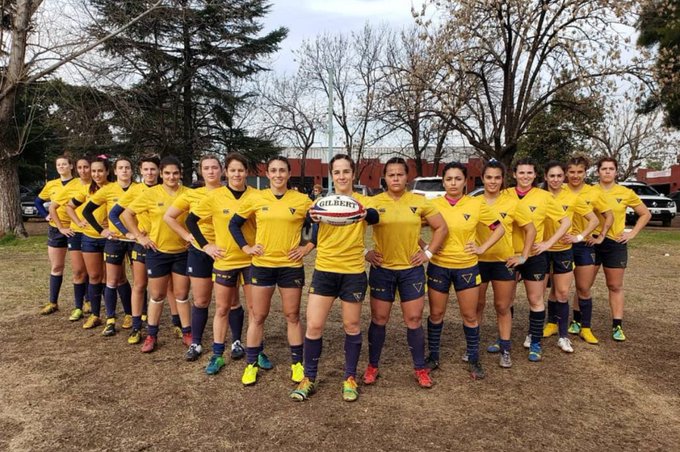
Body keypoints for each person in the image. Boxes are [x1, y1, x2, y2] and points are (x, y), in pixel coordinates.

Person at [289, 154, 379, 402]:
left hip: (352, 272)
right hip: (325, 270)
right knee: (314, 325)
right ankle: (309, 377)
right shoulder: (321, 202)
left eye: (346, 171)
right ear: (332, 176)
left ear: (353, 174)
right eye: (337, 172)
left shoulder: (362, 201)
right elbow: (310, 231)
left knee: (351, 326)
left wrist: (366, 214)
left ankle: (349, 378)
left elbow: (375, 218)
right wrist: (311, 218)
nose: (341, 176)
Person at [362, 157, 447, 389]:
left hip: (411, 271)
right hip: (382, 269)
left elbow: (441, 227)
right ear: (385, 178)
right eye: (391, 174)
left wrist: (428, 254)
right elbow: (351, 227)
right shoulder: (373, 202)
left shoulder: (419, 201)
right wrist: (365, 251)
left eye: (400, 174)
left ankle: (420, 368)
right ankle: (372, 366)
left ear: (407, 177)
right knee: (379, 319)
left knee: (413, 319)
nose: (396, 178)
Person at [229, 156, 313, 386]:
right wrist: (246, 247)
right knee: (258, 316)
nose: (278, 174)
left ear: (289, 173)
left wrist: (307, 247)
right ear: (267, 174)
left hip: (290, 266)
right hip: (262, 265)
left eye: (282, 170)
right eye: (273, 170)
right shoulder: (257, 198)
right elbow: (233, 224)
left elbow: (319, 223)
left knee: (292, 316)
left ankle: (297, 364)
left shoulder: (302, 200)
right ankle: (251, 364)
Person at [423, 162, 504, 380]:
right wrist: (425, 247)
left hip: (466, 267)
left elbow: (499, 228)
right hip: (439, 266)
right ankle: (433, 357)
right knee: (436, 314)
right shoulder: (433, 204)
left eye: (458, 179)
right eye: (448, 179)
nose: (453, 183)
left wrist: (482, 248)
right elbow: (411, 226)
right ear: (443, 181)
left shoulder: (476, 204)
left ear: (465, 181)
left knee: (469, 315)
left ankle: (474, 359)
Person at [186, 153, 258, 375]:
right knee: (222, 308)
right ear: (226, 172)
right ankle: (217, 354)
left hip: (251, 260)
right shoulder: (215, 196)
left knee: (256, 311)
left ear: (247, 172)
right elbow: (190, 221)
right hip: (225, 261)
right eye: (233, 170)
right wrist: (206, 246)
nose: (237, 174)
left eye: (241, 170)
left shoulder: (257, 196)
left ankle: (248, 347)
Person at [121, 156, 192, 353]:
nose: (171, 177)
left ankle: (187, 332)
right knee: (158, 294)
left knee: (182, 294)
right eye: (167, 173)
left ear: (180, 174)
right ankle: (151, 334)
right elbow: (126, 214)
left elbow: (201, 216)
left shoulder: (189, 193)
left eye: (175, 173)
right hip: (157, 252)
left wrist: (193, 237)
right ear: (161, 174)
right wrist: (139, 237)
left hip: (182, 252)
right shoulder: (151, 194)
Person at [506, 157, 571, 362]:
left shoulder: (544, 197)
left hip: (534, 257)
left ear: (535, 175)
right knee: (505, 301)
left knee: (535, 300)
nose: (525, 176)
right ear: (514, 174)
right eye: (521, 172)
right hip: (508, 256)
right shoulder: (504, 194)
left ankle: (535, 341)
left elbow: (566, 221)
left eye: (529, 173)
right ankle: (503, 339)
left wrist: (548, 243)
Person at [474, 159, 536, 368]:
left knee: (502, 306)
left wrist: (524, 257)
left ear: (503, 180)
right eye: (489, 177)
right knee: (477, 306)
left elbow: (531, 230)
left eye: (497, 178)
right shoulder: (473, 202)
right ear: (482, 178)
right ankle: (472, 347)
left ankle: (505, 349)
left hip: (504, 262)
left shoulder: (512, 202)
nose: (493, 182)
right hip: (478, 262)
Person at [165, 155, 223, 361]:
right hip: (200, 251)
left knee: (229, 302)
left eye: (214, 167)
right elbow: (169, 216)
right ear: (201, 171)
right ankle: (196, 342)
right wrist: (187, 236)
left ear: (221, 170)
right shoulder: (192, 195)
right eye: (206, 168)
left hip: (226, 253)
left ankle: (234, 343)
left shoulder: (230, 193)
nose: (210, 171)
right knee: (201, 299)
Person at [540, 161, 599, 353]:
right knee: (544, 292)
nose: (556, 179)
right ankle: (549, 324)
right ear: (545, 177)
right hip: (541, 249)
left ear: (563, 177)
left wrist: (579, 237)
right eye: (552, 176)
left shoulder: (572, 197)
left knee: (563, 292)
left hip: (564, 249)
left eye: (559, 176)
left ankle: (564, 337)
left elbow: (594, 220)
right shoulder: (539, 196)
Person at [592, 157, 650, 341]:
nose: (607, 172)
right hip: (592, 242)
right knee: (584, 285)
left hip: (615, 244)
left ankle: (617, 326)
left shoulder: (625, 192)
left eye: (611, 169)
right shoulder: (589, 191)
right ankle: (578, 321)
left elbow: (645, 214)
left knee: (615, 285)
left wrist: (631, 233)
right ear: (598, 171)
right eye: (604, 169)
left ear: (616, 171)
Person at [108, 155, 164, 345]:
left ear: (159, 171)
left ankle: (177, 324)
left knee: (169, 289)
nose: (149, 173)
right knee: (140, 285)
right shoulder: (135, 191)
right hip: (142, 245)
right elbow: (115, 213)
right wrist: (132, 234)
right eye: (146, 169)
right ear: (141, 171)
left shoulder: (166, 190)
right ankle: (135, 326)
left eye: (153, 169)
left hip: (164, 245)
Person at [561, 155, 613, 344]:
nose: (575, 176)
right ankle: (552, 324)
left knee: (583, 287)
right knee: (559, 290)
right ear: (566, 172)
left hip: (583, 245)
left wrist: (600, 237)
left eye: (580, 172)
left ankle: (586, 328)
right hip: (561, 245)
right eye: (572, 172)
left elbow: (608, 216)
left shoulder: (594, 192)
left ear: (585, 172)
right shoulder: (559, 188)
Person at [82, 157, 137, 337]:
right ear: (115, 171)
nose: (124, 171)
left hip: (135, 241)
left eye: (127, 167)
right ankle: (110, 320)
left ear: (132, 170)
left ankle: (133, 315)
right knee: (111, 280)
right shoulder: (108, 190)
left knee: (138, 282)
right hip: (114, 240)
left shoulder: (140, 189)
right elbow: (86, 211)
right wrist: (101, 231)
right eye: (120, 168)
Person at [64, 157, 111, 330]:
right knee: (94, 277)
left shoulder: (113, 189)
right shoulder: (86, 190)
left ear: (107, 171)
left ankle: (111, 314)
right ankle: (95, 314)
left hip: (110, 238)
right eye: (94, 171)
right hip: (89, 238)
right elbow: (69, 207)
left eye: (100, 171)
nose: (96, 174)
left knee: (109, 277)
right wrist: (79, 221)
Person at [47, 157, 92, 321]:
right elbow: (53, 207)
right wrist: (60, 227)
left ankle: (91, 303)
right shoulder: (72, 186)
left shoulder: (100, 185)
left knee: (95, 273)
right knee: (78, 271)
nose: (83, 170)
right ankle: (78, 307)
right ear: (76, 169)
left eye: (86, 167)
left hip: (96, 234)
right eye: (80, 167)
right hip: (76, 233)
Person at [36, 155, 76, 315]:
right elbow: (38, 201)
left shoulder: (78, 183)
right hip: (56, 229)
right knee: (57, 266)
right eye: (58, 164)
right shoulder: (51, 184)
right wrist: (45, 215)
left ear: (71, 166)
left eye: (64, 164)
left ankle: (86, 302)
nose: (61, 167)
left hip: (74, 229)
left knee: (80, 269)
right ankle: (53, 302)